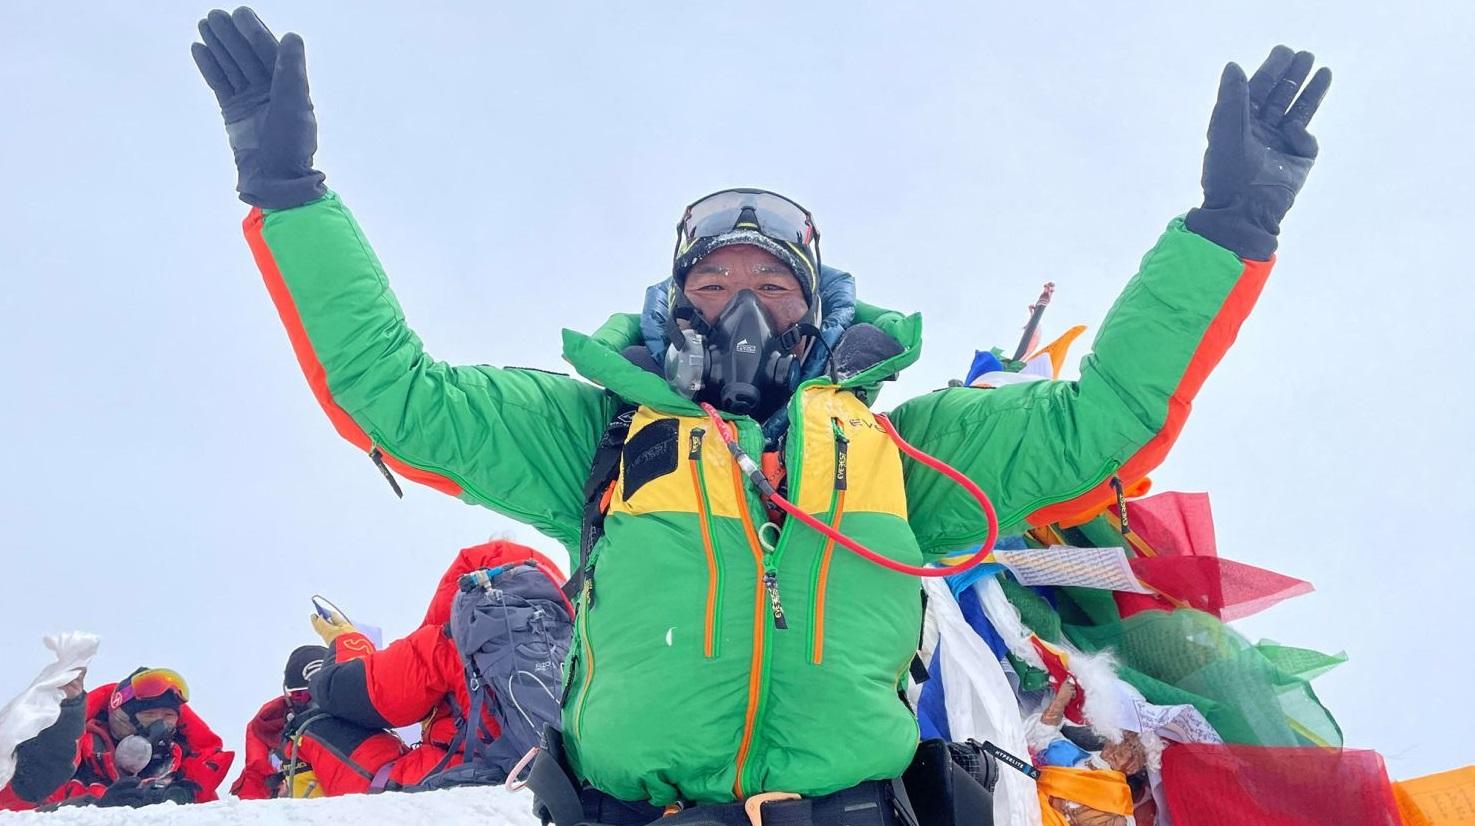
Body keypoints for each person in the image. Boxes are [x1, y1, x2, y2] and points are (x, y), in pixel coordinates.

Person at [190, 8, 1332, 823]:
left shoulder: (897, 453)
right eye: (714, 285)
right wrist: (289, 195)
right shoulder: (594, 436)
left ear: (817, 313)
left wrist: (1224, 230)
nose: (742, 306)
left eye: (773, 286)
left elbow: (1100, 421)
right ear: (672, 306)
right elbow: (395, 392)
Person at [291, 540, 569, 794]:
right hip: (560, 770)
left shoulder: (450, 639)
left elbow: (342, 691)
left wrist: (347, 639)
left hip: (476, 772)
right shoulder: (574, 637)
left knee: (313, 727)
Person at [0, 667, 233, 810]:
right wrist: (96, 811)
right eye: (149, 714)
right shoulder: (67, 766)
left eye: (169, 716)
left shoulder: (188, 780)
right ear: (118, 716)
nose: (160, 724)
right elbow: (15, 814)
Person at [231, 644, 330, 799]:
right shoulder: (269, 726)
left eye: (320, 694)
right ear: (289, 696)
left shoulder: (359, 719)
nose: (313, 704)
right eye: (303, 695)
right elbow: (253, 788)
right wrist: (273, 794)